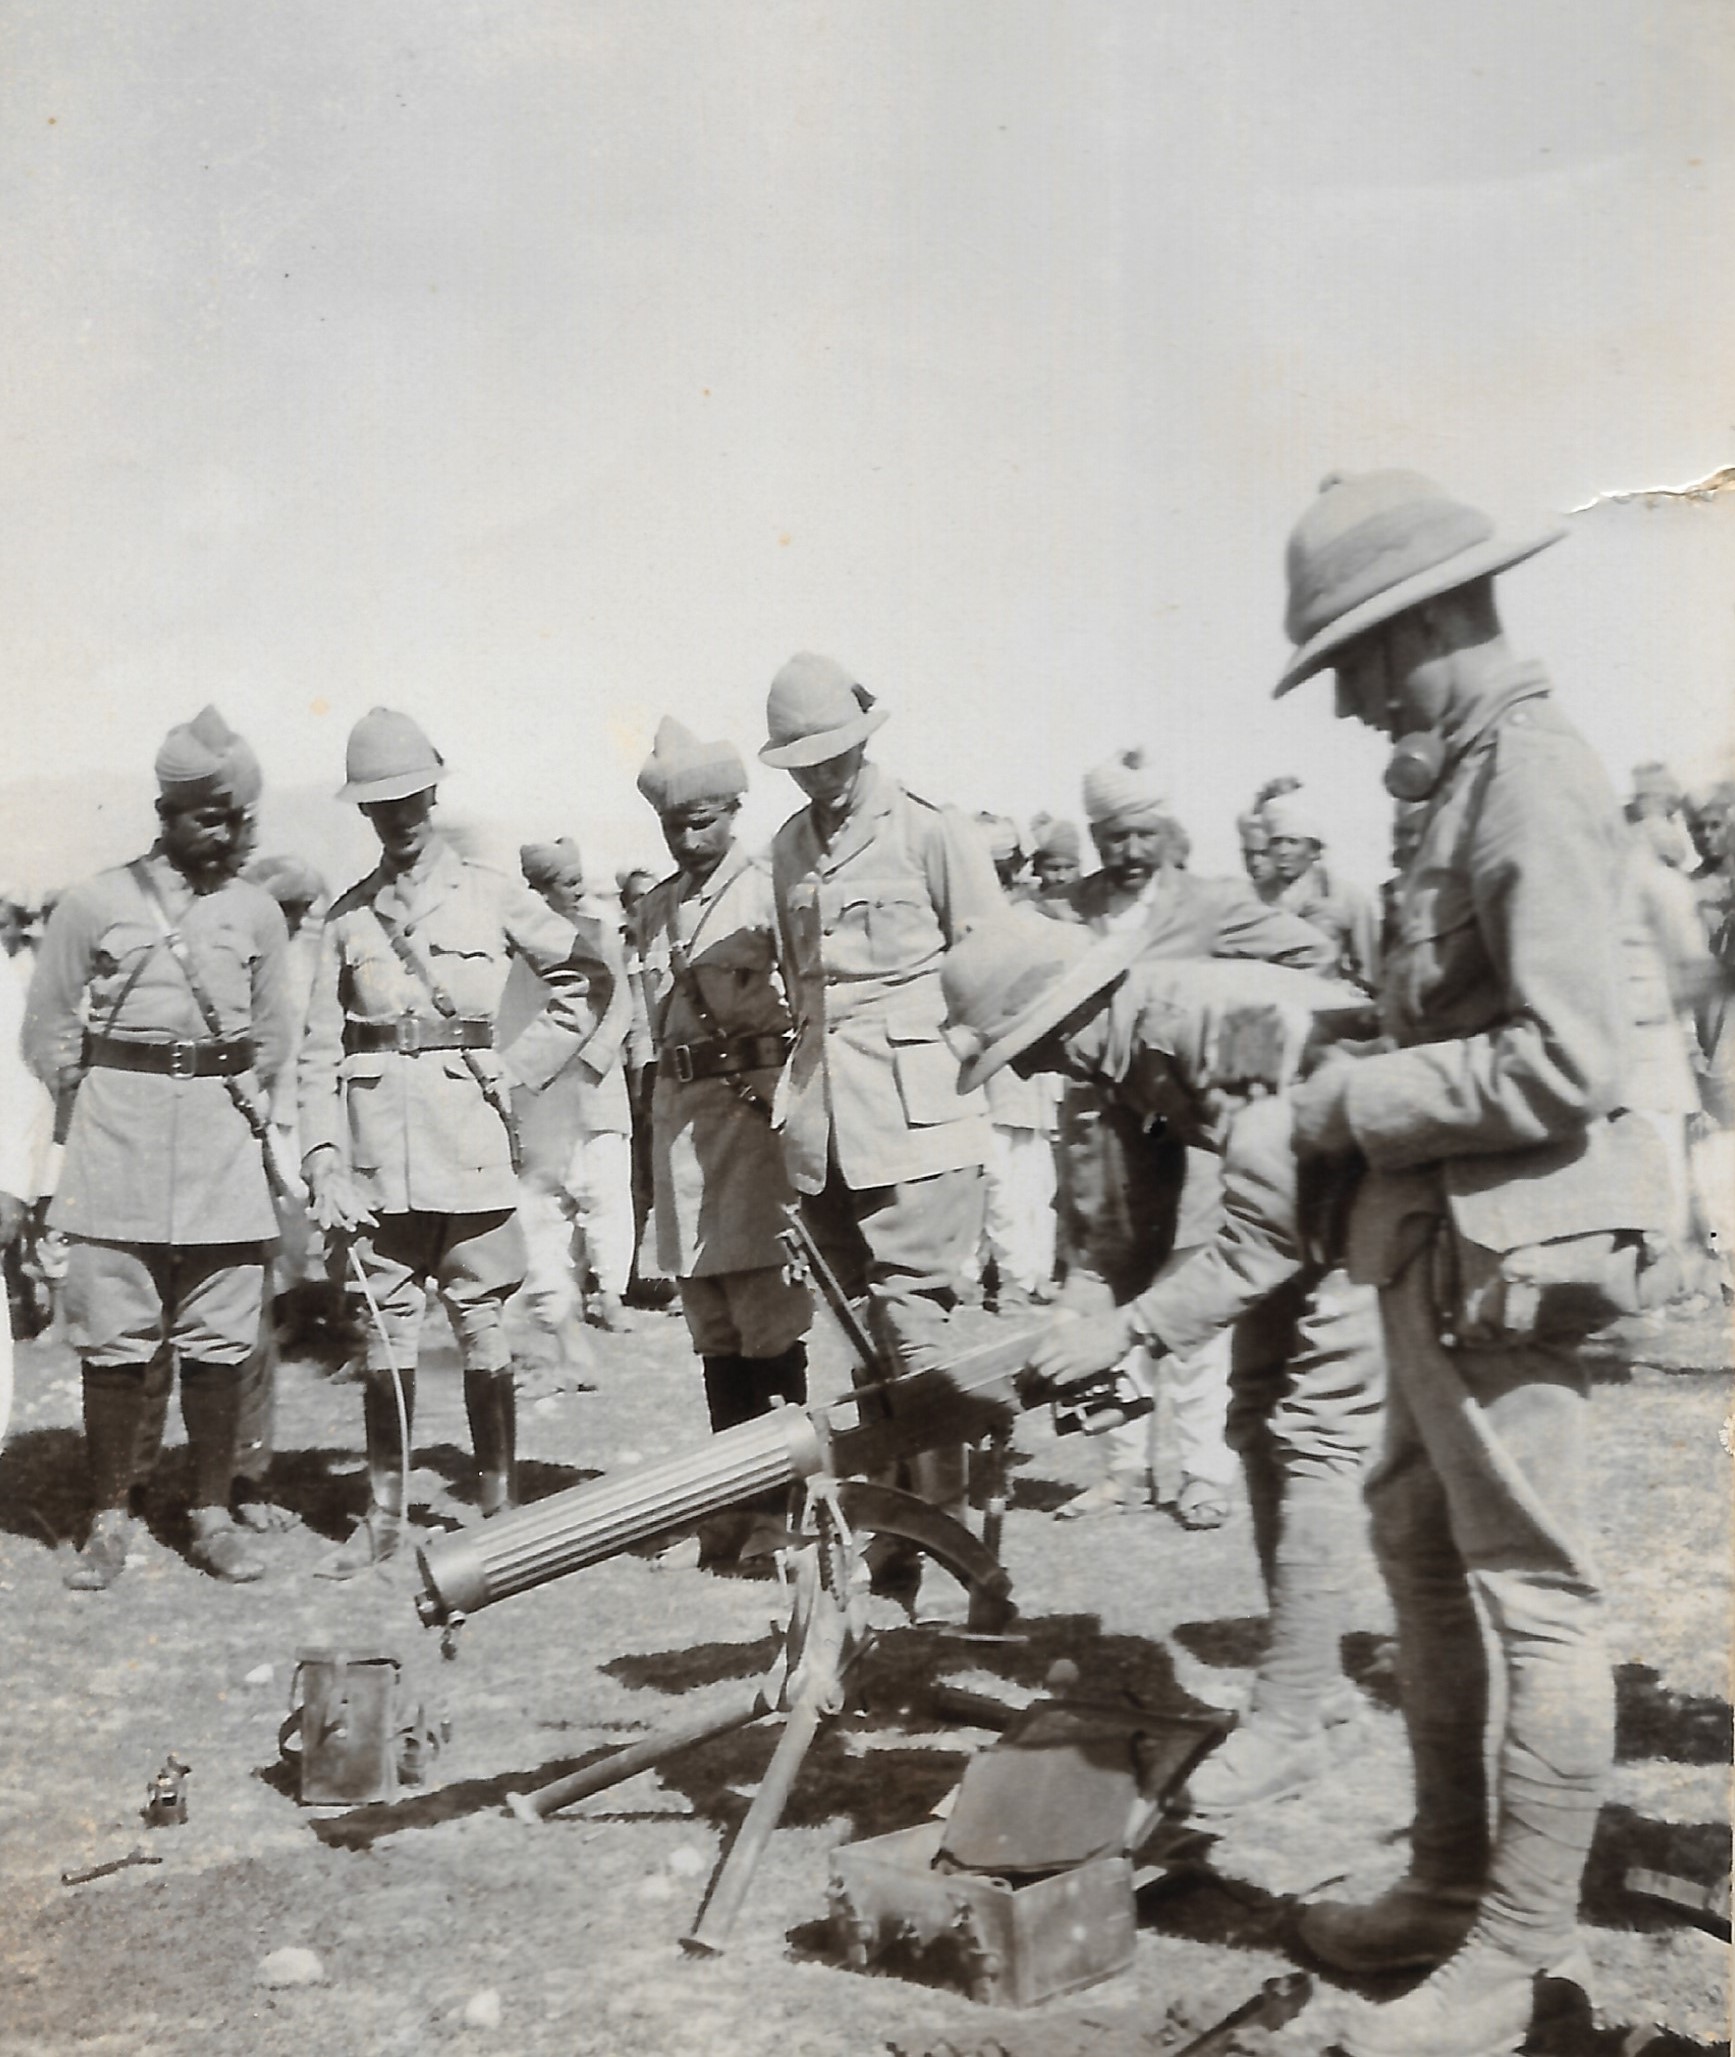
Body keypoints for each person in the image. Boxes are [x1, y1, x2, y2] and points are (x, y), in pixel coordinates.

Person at [1273, 470, 1652, 2055]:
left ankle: (1506, 1955)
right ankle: (1442, 1888)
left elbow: (1565, 1060)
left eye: (1360, 657)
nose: (1356, 701)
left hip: (1509, 1257)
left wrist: (1356, 1097)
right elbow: (1462, 1019)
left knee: (1533, 1597)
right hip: (1436, 1253)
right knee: (1421, 1560)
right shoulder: (1460, 777)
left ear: (1427, 619)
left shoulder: (1531, 779)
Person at [941, 911, 1384, 1817]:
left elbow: (1267, 1237)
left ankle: (1292, 1721)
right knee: (1257, 1419)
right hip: (1321, 1211)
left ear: (1069, 1013)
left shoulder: (1219, 1023)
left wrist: (1129, 1331)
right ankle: (1317, 1692)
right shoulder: (1117, 1053)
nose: (1025, 1071)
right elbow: (1132, 1224)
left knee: (1313, 1435)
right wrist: (1085, 1309)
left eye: (1025, 1047)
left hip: (1387, 1202)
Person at [298, 708, 618, 1576]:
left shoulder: (490, 891)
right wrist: (322, 1157)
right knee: (382, 1330)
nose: (397, 817)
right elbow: (318, 1049)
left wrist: (520, 1071)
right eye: (378, 805)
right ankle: (384, 1514)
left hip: (468, 1142)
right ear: (362, 812)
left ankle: (498, 1507)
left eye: (408, 798)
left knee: (481, 1324)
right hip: (373, 1156)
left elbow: (586, 977)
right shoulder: (346, 919)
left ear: (434, 791)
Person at [23, 707, 293, 1588]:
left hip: (220, 1140)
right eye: (209, 817)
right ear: (166, 813)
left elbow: (272, 1036)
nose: (227, 834)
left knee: (220, 1335)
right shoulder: (94, 902)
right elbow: (49, 1031)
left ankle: (211, 1511)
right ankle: (109, 1516)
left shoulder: (256, 912)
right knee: (115, 1337)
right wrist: (97, 1112)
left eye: (238, 818)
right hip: (117, 1138)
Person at [761, 652, 1001, 1599]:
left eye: (836, 752)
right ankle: (894, 1539)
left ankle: (947, 1547)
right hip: (825, 1123)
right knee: (864, 1338)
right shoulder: (785, 848)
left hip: (920, 1113)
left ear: (866, 739)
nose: (824, 773)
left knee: (915, 1326)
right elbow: (800, 984)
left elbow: (993, 964)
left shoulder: (930, 831)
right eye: (804, 760)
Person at [1048, 750, 1335, 1528]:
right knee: (1106, 1289)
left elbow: (1309, 957)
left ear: (1166, 829)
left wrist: (1237, 1022)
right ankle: (1122, 1469)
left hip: (1201, 1124)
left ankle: (1203, 1471)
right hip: (1106, 1134)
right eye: (1112, 837)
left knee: (1200, 1286)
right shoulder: (1070, 913)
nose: (1129, 853)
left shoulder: (1210, 904)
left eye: (1141, 834)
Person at [632, 719, 812, 1548]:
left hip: (751, 1117)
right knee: (710, 1319)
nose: (688, 835)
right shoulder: (655, 910)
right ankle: (729, 1506)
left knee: (765, 1315)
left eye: (703, 819)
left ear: (733, 810)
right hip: (681, 1129)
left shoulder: (769, 884)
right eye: (675, 823)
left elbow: (810, 1000)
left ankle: (783, 1505)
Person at [510, 839, 636, 1341]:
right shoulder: (517, 943)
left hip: (596, 1087)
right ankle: (561, 1299)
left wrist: (590, 1061)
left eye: (580, 879)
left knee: (604, 1191)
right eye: (567, 882)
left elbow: (621, 1005)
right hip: (541, 1091)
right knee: (550, 1198)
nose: (579, 890)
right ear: (538, 890)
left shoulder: (601, 934)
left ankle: (611, 1293)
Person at [1256, 787, 1382, 990]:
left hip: (1327, 1001)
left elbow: (1369, 971)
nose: (1283, 851)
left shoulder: (1347, 897)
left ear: (1314, 851)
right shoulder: (1254, 896)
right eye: (1276, 842)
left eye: (1293, 842)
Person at [1027, 814, 1082, 901]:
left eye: (1070, 867)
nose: (1062, 878)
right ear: (1037, 868)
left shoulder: (1097, 903)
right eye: (1053, 869)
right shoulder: (1026, 907)